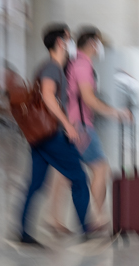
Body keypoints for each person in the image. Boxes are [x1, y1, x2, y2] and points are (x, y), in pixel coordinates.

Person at [47, 26, 130, 234]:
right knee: (101, 168)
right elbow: (89, 99)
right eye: (99, 42)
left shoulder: (73, 63)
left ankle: (53, 219)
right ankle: (97, 216)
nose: (100, 47)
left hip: (69, 123)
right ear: (93, 43)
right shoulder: (83, 65)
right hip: (81, 126)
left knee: (65, 174)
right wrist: (116, 112)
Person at [18, 24, 91, 247]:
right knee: (79, 178)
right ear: (60, 42)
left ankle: (22, 232)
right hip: (50, 135)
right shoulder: (52, 68)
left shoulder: (48, 67)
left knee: (36, 183)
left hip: (39, 135)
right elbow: (49, 97)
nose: (71, 44)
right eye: (68, 39)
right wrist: (68, 125)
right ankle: (87, 231)